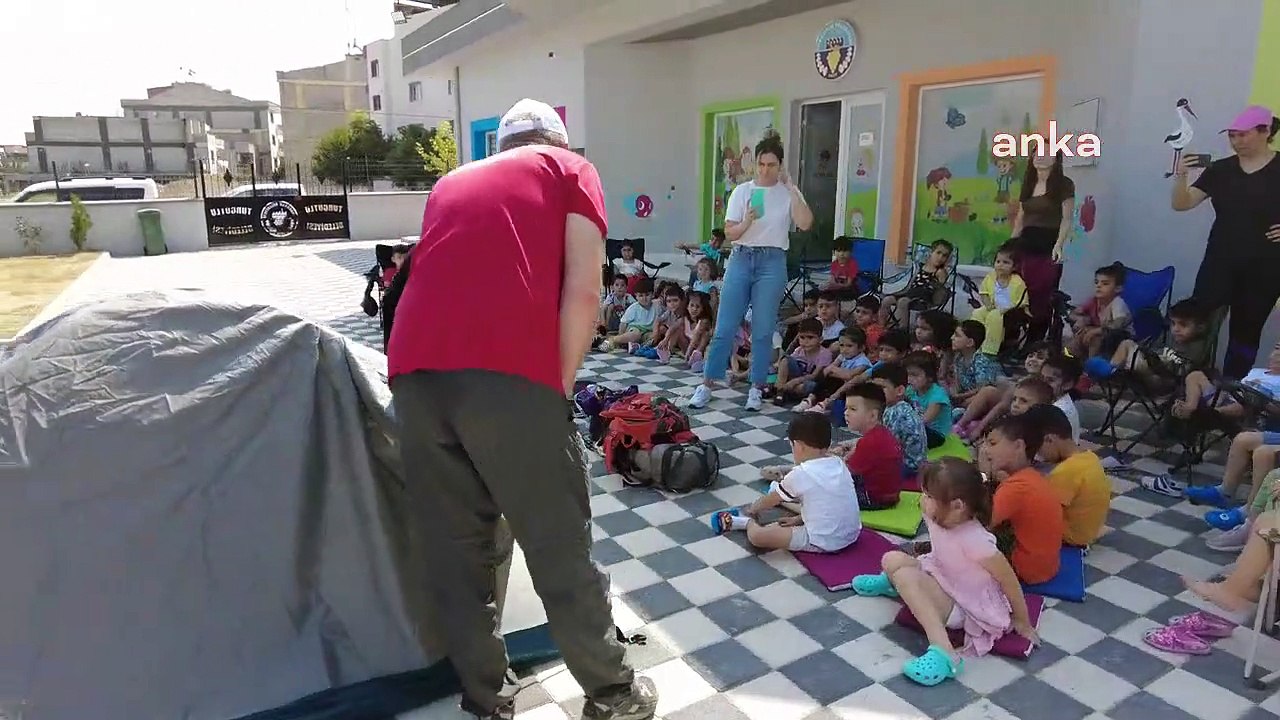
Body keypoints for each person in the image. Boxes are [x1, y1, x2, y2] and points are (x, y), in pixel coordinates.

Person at [386, 98, 655, 719]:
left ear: (501, 146)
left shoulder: (451, 181)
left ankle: (486, 699)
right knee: (557, 544)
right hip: (508, 375)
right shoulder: (568, 170)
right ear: (559, 141)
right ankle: (614, 694)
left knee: (461, 553)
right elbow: (586, 288)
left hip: (416, 374)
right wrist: (556, 387)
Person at [850, 458, 1039, 687]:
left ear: (958, 506)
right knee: (891, 559)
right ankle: (894, 585)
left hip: (965, 604)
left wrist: (1022, 621)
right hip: (942, 575)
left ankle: (945, 652)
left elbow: (1008, 580)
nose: (922, 499)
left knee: (905, 576)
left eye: (929, 496)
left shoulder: (977, 540)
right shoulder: (936, 512)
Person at [690, 128, 815, 411]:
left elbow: (806, 223)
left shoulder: (786, 193)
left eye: (772, 164)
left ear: (780, 165)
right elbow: (731, 232)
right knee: (725, 325)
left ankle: (756, 388)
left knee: (762, 329)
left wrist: (792, 187)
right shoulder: (743, 191)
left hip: (772, 261)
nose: (765, 170)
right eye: (761, 163)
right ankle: (707, 383)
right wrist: (747, 221)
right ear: (755, 163)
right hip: (742, 257)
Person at [1172, 105, 1280, 378]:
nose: (1236, 141)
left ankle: (1231, 391)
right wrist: (1181, 175)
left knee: (1246, 330)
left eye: (1243, 135)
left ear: (1265, 132)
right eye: (1232, 136)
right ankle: (1187, 383)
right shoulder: (1221, 170)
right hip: (1220, 260)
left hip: (1265, 267)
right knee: (1199, 321)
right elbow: (1182, 204)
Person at [710, 413, 861, 552]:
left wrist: (752, 509)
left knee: (758, 537)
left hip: (823, 541)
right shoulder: (838, 463)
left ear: (798, 445)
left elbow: (771, 500)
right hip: (852, 534)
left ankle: (744, 522)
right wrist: (798, 519)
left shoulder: (801, 473)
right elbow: (829, 502)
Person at [982, 413, 1066, 584]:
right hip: (1047, 566)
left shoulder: (1016, 487)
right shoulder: (1032, 476)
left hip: (1026, 570)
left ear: (1019, 446)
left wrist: (984, 475)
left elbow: (980, 524)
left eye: (992, 443)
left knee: (964, 535)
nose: (985, 450)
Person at [1010, 147, 1076, 342]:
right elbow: (1020, 218)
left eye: (1047, 153)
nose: (1040, 158)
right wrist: (1011, 244)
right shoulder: (1029, 183)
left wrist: (1058, 245)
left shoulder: (1064, 184)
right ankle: (1011, 340)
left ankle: (1034, 342)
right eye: (1037, 153)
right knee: (1019, 291)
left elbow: (1067, 219)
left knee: (1042, 295)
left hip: (1048, 243)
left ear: (1056, 159)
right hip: (1026, 243)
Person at [1026, 403, 1110, 546]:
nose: (1038, 455)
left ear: (1049, 440)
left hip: (1070, 538)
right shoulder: (1090, 458)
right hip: (1088, 532)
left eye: (1037, 448)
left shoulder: (1066, 472)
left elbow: (1044, 512)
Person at [843, 383, 906, 510]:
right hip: (890, 495)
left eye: (853, 409)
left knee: (821, 494)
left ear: (872, 415)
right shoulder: (881, 432)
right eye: (846, 408)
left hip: (874, 499)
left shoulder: (869, 442)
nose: (846, 413)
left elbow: (845, 473)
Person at [870, 363, 929, 477]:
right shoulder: (899, 405)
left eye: (881, 388)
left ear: (900, 390)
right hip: (915, 461)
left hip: (910, 467)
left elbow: (886, 447)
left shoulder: (896, 412)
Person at [969, 242, 1028, 355]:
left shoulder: (1018, 281)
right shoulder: (991, 277)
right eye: (998, 262)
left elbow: (1021, 302)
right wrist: (988, 305)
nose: (1000, 265)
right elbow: (984, 293)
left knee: (994, 316)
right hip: (992, 306)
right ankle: (974, 342)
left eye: (1006, 263)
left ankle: (989, 349)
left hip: (1010, 311)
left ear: (1014, 266)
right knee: (978, 313)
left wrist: (1005, 309)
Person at [795, 327, 872, 414]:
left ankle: (825, 404)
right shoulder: (842, 356)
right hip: (840, 384)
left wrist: (833, 370)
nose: (844, 349)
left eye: (849, 346)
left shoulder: (863, 362)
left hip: (855, 390)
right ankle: (810, 399)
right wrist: (833, 370)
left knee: (837, 381)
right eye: (841, 345)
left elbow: (849, 376)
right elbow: (826, 371)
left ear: (861, 348)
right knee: (826, 380)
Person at [881, 239, 954, 329]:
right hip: (909, 293)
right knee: (887, 300)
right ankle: (880, 328)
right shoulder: (920, 266)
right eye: (938, 253)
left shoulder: (940, 272)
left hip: (923, 297)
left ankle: (902, 331)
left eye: (944, 256)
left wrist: (939, 284)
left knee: (902, 302)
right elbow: (910, 281)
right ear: (931, 252)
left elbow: (941, 291)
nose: (940, 257)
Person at [1069, 262, 1132, 359]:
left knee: (1096, 338)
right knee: (1081, 333)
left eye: (1105, 283)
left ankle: (1091, 367)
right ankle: (1071, 360)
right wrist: (1081, 319)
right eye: (1096, 282)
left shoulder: (1117, 303)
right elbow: (1073, 313)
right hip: (1103, 334)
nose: (1098, 286)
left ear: (1118, 288)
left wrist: (1095, 331)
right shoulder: (1094, 301)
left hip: (1120, 337)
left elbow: (1118, 324)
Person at [773, 318, 833, 405]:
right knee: (785, 360)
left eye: (810, 337)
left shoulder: (825, 354)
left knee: (809, 386)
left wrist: (795, 381)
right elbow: (788, 364)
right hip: (795, 378)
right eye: (802, 337)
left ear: (820, 339)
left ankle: (782, 389)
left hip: (808, 382)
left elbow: (814, 376)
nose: (805, 341)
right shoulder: (799, 350)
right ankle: (780, 390)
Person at [903, 350, 952, 448]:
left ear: (930, 376)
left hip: (937, 435)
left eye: (915, 375)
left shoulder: (938, 394)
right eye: (908, 374)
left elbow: (925, 420)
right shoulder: (911, 390)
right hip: (919, 429)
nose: (909, 379)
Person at [950, 320, 1000, 408]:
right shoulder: (958, 358)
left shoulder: (980, 361)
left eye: (957, 335)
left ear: (970, 343)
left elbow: (981, 389)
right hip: (965, 395)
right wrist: (954, 393)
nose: (952, 338)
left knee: (972, 402)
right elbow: (957, 382)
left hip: (980, 396)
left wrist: (961, 396)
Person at [600, 278, 659, 354]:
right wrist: (621, 335)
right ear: (636, 296)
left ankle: (637, 346)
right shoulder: (634, 308)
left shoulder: (656, 306)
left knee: (653, 336)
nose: (644, 298)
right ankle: (613, 339)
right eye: (641, 296)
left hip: (647, 331)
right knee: (635, 335)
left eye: (647, 295)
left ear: (652, 294)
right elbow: (623, 323)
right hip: (634, 329)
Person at [1040, 352, 1083, 443]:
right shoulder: (1053, 401)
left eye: (1050, 380)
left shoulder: (1059, 410)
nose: (1042, 384)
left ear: (1068, 384)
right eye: (1041, 378)